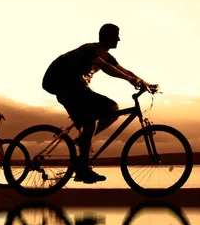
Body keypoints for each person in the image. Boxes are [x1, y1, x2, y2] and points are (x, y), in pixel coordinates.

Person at [42, 23, 156, 184]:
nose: (119, 39)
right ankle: (82, 168)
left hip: (77, 88)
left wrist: (146, 83)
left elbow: (125, 71)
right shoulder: (90, 49)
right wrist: (130, 80)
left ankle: (83, 143)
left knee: (111, 109)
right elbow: (105, 67)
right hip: (65, 86)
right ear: (107, 37)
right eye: (116, 36)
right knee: (91, 121)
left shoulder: (106, 55)